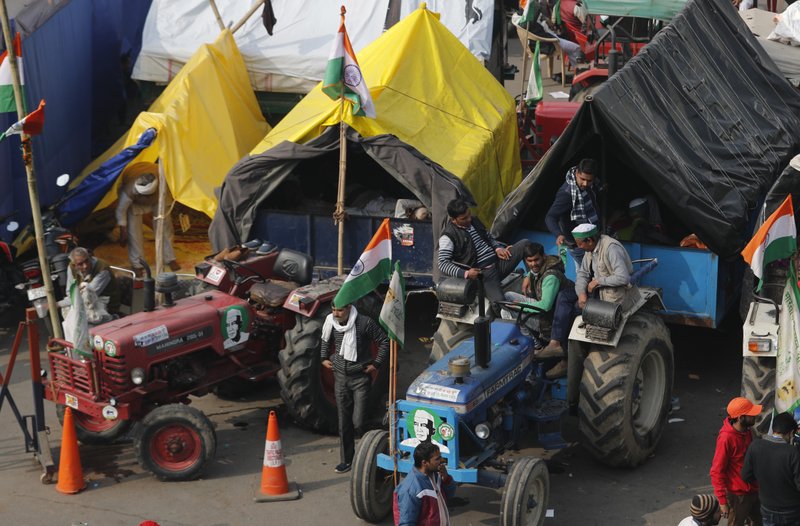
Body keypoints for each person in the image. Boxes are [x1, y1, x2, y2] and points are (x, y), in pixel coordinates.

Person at [321, 303, 389, 474]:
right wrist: (323, 357)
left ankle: (375, 450)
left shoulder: (365, 323)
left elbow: (384, 341)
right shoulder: (331, 322)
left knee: (358, 422)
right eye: (333, 309)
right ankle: (347, 460)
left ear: (350, 308)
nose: (336, 314)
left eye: (340, 310)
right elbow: (325, 339)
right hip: (340, 378)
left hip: (360, 378)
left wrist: (376, 364)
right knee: (343, 422)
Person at [438, 198, 532, 309]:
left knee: (526, 244)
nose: (469, 219)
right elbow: (443, 263)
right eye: (464, 218)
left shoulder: (474, 221)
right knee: (499, 305)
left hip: (499, 262)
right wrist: (466, 273)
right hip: (484, 275)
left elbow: (489, 237)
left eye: (469, 215)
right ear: (453, 220)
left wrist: (498, 248)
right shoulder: (448, 237)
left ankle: (531, 278)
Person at [503, 242, 575, 350]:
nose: (533, 264)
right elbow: (533, 270)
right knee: (507, 297)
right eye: (529, 261)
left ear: (543, 256)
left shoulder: (551, 277)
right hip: (542, 309)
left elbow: (545, 306)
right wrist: (528, 275)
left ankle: (534, 345)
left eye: (536, 260)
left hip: (548, 320)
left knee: (509, 311)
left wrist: (520, 306)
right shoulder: (539, 268)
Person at [116, 162, 180, 275]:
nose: (145, 199)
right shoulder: (129, 189)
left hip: (159, 199)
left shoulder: (163, 182)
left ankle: (169, 258)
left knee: (165, 228)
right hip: (135, 203)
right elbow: (121, 209)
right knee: (134, 232)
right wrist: (123, 229)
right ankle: (137, 263)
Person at [710, 397, 763, 526]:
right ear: (740, 418)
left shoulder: (748, 431)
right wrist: (723, 502)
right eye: (751, 415)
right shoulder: (726, 439)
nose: (755, 416)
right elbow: (717, 471)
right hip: (738, 495)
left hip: (754, 490)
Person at [741, 412, 800, 526]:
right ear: (791, 433)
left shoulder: (755, 446)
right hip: (791, 510)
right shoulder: (792, 452)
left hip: (767, 508)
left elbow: (746, 476)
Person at [545, 158, 601, 272]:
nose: (585, 184)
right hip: (578, 245)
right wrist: (558, 234)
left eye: (589, 180)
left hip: (591, 240)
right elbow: (550, 217)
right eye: (582, 179)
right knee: (589, 274)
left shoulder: (591, 186)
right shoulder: (567, 193)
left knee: (584, 273)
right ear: (576, 173)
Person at [393, 442, 457, 526]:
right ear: (425, 463)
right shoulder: (410, 489)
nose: (442, 460)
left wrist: (446, 479)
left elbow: (450, 495)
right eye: (437, 459)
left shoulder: (435, 476)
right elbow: (407, 523)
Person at [66, 247, 121, 317]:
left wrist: (61, 303)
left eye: (86, 261)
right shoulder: (71, 267)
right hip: (86, 301)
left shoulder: (102, 269)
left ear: (90, 257)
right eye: (80, 264)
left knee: (82, 317)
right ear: (75, 264)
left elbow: (89, 296)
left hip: (107, 305)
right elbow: (69, 292)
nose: (85, 266)